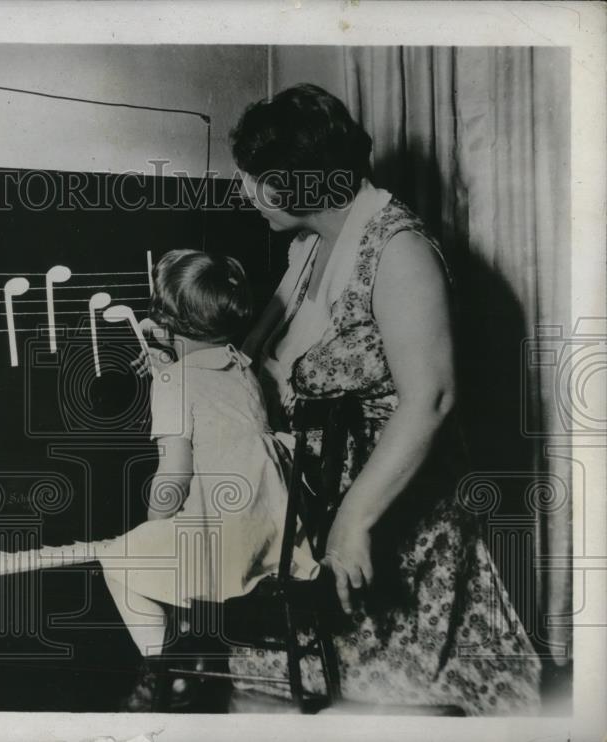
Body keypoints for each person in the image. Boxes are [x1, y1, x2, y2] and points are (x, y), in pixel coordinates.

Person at [223, 84, 541, 714]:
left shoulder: (400, 250)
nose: (244, 194)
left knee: (374, 708)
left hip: (395, 518)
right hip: (314, 509)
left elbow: (432, 398)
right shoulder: (309, 249)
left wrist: (354, 520)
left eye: (253, 180)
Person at [98, 248, 320, 712]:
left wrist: (155, 518)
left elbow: (173, 477)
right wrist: (168, 358)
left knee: (118, 559)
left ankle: (161, 670)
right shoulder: (242, 366)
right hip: (274, 536)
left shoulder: (172, 383)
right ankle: (188, 664)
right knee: (169, 551)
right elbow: (206, 390)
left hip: (221, 547)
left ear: (163, 318)